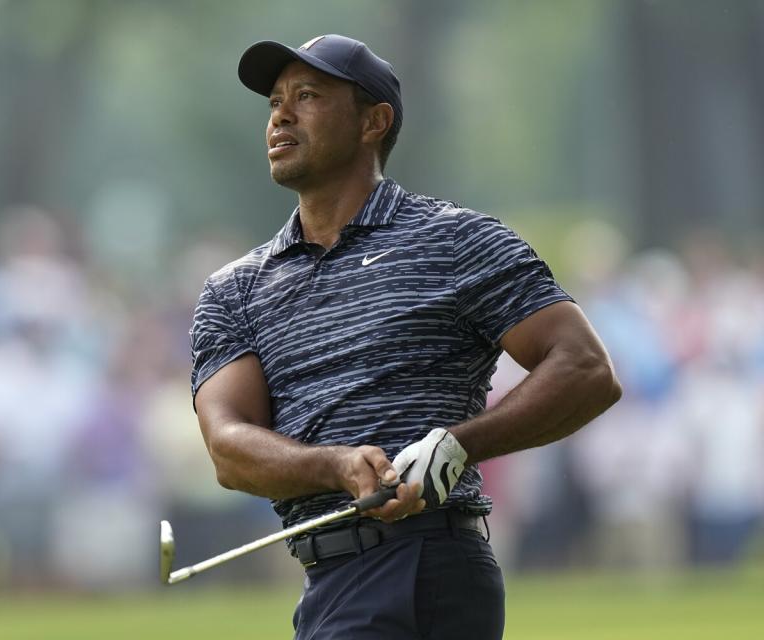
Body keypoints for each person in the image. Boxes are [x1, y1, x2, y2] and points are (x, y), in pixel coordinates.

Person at [189, 34, 622, 640]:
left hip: (427, 562)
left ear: (375, 121)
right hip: (327, 584)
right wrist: (336, 467)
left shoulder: (454, 240)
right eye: (275, 102)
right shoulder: (236, 290)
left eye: (308, 95)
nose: (281, 114)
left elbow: (585, 368)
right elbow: (229, 447)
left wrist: (459, 445)